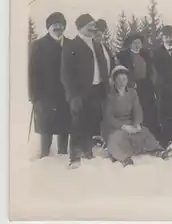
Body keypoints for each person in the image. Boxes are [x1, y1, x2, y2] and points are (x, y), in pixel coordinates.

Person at [61, 14, 109, 169]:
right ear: (80, 27)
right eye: (89, 24)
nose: (93, 26)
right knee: (77, 123)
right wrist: (72, 95)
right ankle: (74, 156)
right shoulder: (71, 45)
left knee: (92, 121)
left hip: (97, 90)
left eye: (94, 23)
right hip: (79, 92)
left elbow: (103, 67)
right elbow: (65, 73)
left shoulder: (96, 44)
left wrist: (106, 88)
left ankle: (87, 150)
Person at [102, 66, 170, 167]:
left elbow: (137, 110)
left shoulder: (132, 93)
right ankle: (123, 158)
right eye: (119, 79)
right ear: (114, 80)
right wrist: (123, 127)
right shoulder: (109, 96)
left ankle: (157, 150)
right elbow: (109, 117)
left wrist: (137, 124)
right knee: (116, 139)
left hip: (129, 122)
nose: (122, 82)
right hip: (114, 127)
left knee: (144, 132)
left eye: (124, 79)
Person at [28, 12, 71, 158]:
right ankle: (44, 157)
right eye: (55, 24)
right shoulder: (38, 45)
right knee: (46, 127)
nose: (58, 27)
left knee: (65, 125)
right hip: (45, 94)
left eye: (61, 24)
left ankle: (63, 154)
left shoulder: (70, 44)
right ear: (48, 27)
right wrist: (33, 95)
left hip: (66, 94)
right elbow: (31, 72)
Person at [116, 33, 160, 142]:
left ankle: (149, 137)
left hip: (145, 86)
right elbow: (120, 71)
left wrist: (152, 82)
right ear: (130, 44)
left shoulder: (145, 54)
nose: (137, 45)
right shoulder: (123, 56)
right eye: (134, 43)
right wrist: (130, 83)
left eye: (139, 43)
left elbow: (152, 70)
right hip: (131, 87)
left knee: (148, 110)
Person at [153, 25, 172, 144]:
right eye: (166, 36)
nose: (169, 39)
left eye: (171, 36)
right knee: (163, 114)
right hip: (162, 89)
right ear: (162, 38)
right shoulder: (155, 54)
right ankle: (164, 140)